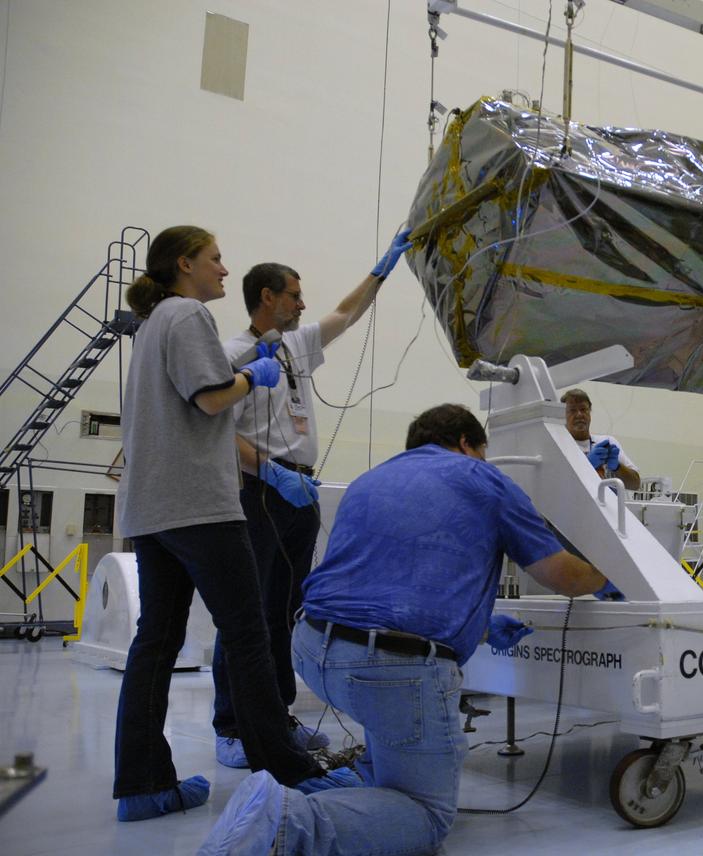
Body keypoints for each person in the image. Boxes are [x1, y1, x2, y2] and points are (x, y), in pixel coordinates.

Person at [200, 404, 618, 855]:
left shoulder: (370, 480)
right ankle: (286, 821)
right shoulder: (485, 479)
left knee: (388, 714)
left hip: (313, 647)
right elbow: (562, 575)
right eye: (482, 451)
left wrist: (477, 627)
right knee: (426, 813)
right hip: (389, 668)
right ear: (466, 443)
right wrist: (610, 578)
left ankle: (339, 789)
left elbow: (393, 584)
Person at [112, 226, 355, 824]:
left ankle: (143, 784)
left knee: (156, 642)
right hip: (199, 503)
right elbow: (211, 398)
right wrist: (253, 378)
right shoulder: (189, 313)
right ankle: (288, 767)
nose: (224, 270)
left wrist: (250, 361)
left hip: (151, 507)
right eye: (215, 259)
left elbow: (200, 382)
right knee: (249, 632)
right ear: (184, 263)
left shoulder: (152, 324)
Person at [212, 230, 412, 768]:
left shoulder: (297, 345)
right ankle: (231, 726)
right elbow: (218, 431)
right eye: (295, 295)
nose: (303, 304)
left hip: (300, 489)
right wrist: (271, 472)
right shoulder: (233, 355)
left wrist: (382, 269)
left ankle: (276, 717)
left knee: (285, 610)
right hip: (259, 490)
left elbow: (346, 314)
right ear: (268, 297)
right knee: (248, 610)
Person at [561, 387, 641, 491]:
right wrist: (587, 465)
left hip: (611, 501)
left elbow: (635, 484)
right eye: (572, 410)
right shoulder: (560, 446)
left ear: (589, 411)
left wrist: (617, 467)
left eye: (583, 409)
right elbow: (560, 486)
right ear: (562, 415)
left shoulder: (607, 442)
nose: (579, 414)